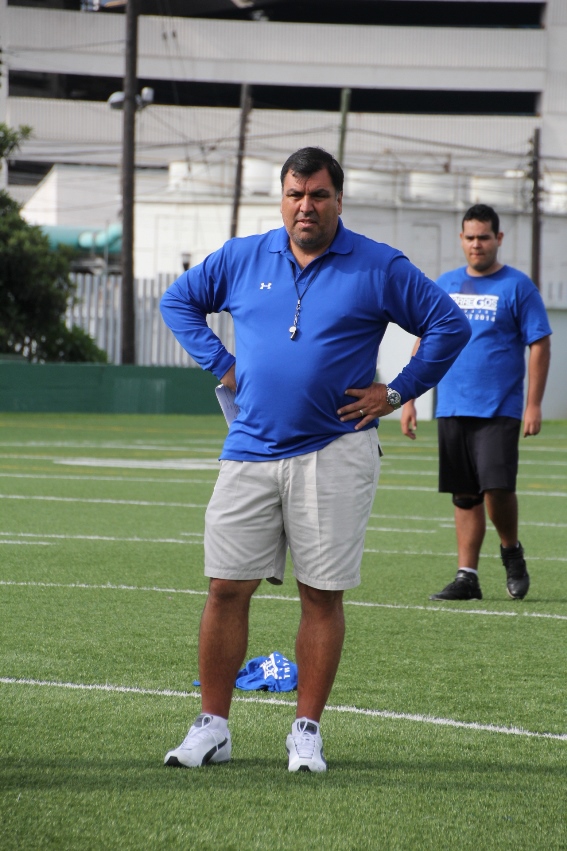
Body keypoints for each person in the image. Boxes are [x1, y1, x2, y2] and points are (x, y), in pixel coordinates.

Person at [160, 146, 471, 772]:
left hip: (335, 450)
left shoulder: (378, 264)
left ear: (338, 199)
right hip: (249, 445)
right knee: (225, 587)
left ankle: (306, 730)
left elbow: (448, 324)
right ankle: (212, 726)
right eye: (296, 194)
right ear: (283, 198)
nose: (307, 206)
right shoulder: (244, 256)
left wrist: (398, 390)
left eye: (319, 195)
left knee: (321, 594)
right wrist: (221, 364)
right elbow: (177, 302)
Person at [401, 203, 552, 603]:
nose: (476, 244)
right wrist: (409, 398)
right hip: (452, 405)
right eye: (469, 237)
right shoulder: (446, 284)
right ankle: (467, 576)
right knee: (464, 495)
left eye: (484, 237)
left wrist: (533, 404)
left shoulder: (518, 286)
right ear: (461, 240)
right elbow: (425, 340)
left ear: (498, 239)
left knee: (497, 488)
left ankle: (510, 550)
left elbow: (539, 343)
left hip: (499, 407)